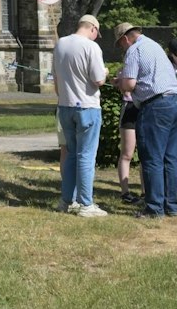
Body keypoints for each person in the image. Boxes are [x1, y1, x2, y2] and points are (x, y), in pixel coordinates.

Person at [113, 22, 177, 218]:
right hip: (175, 101)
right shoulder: (154, 45)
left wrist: (120, 83)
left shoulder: (134, 50)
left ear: (125, 39)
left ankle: (154, 208)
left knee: (152, 158)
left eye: (120, 44)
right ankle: (172, 206)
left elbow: (129, 84)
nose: (122, 49)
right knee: (171, 158)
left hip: (155, 105)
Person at [53, 15, 109, 217]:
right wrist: (106, 71)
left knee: (71, 155)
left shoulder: (60, 44)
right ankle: (86, 204)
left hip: (65, 106)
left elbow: (56, 80)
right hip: (87, 106)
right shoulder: (91, 47)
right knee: (86, 156)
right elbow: (98, 79)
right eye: (97, 34)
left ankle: (66, 200)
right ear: (93, 29)